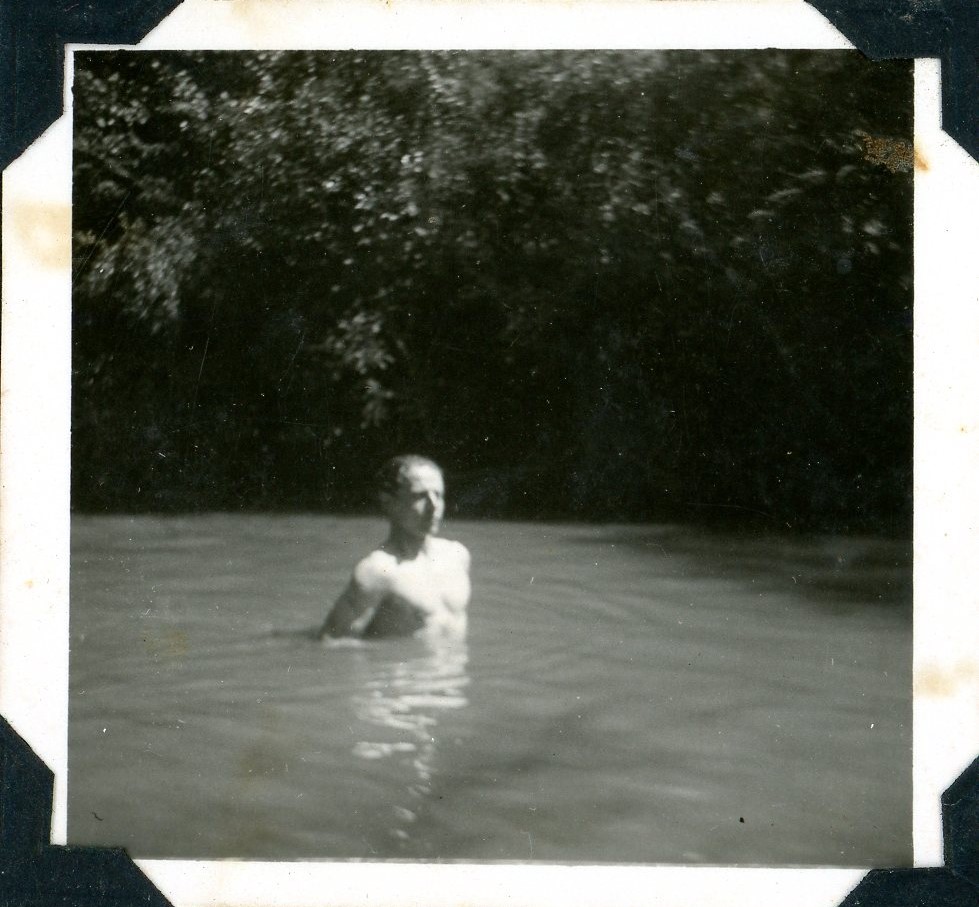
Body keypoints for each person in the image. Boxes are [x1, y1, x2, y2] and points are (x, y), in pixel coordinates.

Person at [319, 455, 471, 640]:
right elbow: (332, 641)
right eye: (420, 496)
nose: (433, 506)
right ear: (389, 502)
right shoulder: (376, 571)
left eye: (438, 495)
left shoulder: (457, 555)